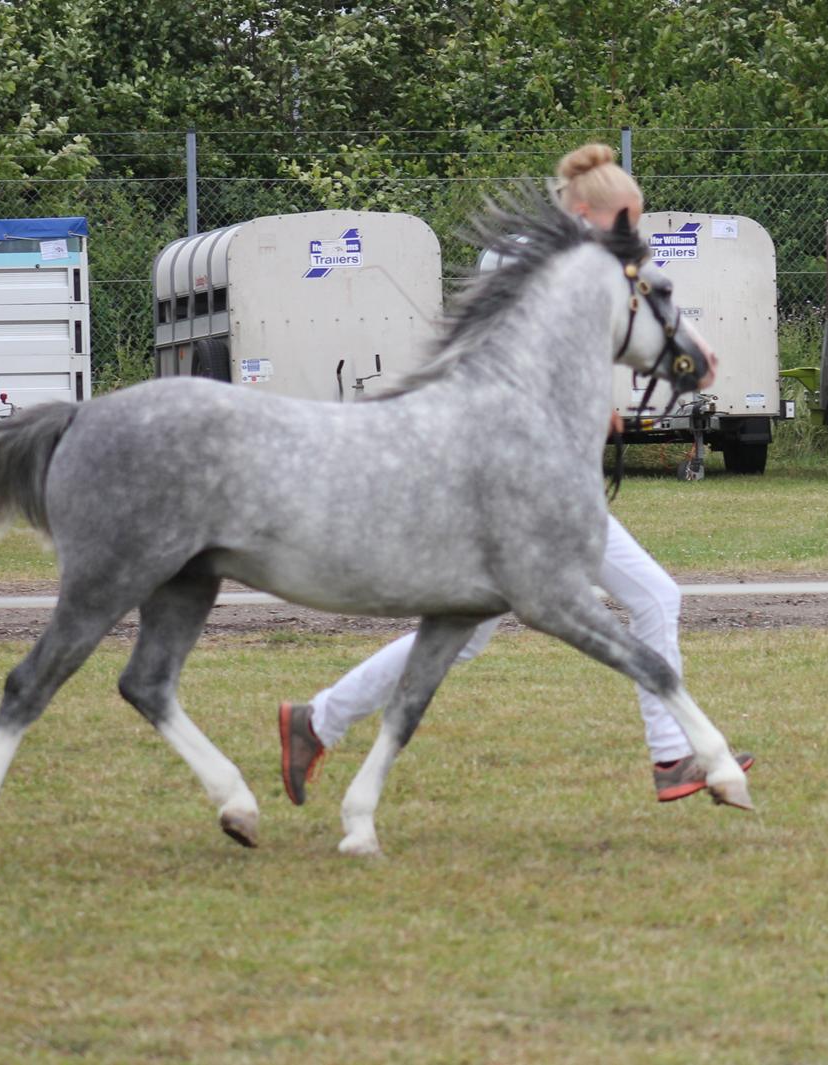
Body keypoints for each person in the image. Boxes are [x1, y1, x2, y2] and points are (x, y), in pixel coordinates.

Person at [278, 143, 753, 806]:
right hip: (499, 482)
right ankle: (318, 718)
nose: (630, 239)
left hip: (545, 481)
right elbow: (503, 358)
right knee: (489, 629)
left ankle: (672, 754)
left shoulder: (591, 265)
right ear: (585, 212)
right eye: (622, 223)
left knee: (643, 598)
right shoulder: (526, 258)